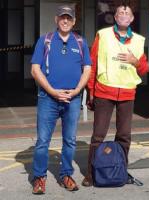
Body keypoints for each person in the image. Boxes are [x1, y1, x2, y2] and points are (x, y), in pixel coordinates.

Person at [82, 3, 149, 187]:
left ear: (132, 18)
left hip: (127, 93)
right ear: (116, 16)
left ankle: (120, 171)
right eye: (120, 12)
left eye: (127, 13)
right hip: (105, 91)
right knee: (98, 136)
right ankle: (90, 174)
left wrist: (135, 61)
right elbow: (93, 63)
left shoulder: (138, 40)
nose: (123, 15)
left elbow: (144, 69)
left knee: (124, 136)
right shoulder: (102, 35)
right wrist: (91, 92)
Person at [31, 4, 91, 194]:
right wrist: (52, 91)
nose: (65, 20)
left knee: (70, 140)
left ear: (74, 21)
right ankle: (39, 177)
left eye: (69, 18)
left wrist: (76, 91)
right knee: (42, 141)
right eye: (62, 17)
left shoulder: (80, 42)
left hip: (72, 99)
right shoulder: (45, 40)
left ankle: (66, 174)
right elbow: (35, 69)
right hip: (48, 97)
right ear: (56, 19)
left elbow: (87, 69)